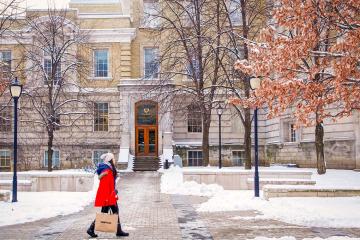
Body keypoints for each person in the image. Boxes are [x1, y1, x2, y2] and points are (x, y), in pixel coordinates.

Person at [87, 153, 129, 238]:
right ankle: (91, 229)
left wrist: (114, 190)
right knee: (106, 213)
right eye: (113, 158)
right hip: (108, 197)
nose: (114, 160)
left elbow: (110, 184)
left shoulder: (109, 169)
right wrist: (109, 196)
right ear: (110, 160)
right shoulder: (107, 171)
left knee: (113, 212)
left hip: (110, 195)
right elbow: (105, 186)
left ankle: (118, 230)